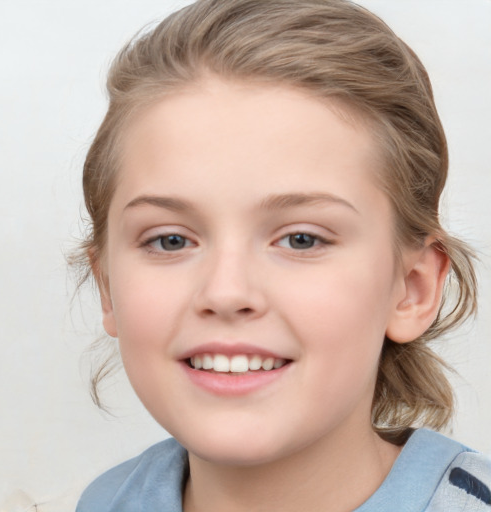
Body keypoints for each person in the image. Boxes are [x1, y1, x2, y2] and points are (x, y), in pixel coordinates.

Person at [74, 0, 490, 510]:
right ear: (107, 285)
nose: (226, 293)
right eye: (171, 240)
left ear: (412, 288)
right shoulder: (107, 500)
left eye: (301, 239)